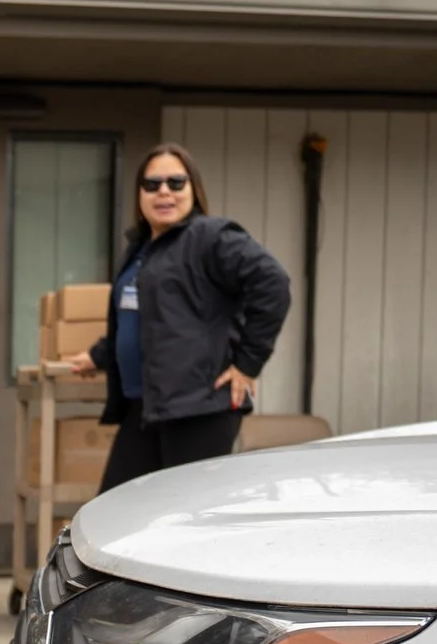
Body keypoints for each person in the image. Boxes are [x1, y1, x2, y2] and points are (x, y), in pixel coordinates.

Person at [65, 143, 292, 492]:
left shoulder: (210, 237)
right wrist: (100, 355)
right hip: (146, 407)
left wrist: (248, 363)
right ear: (139, 194)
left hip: (197, 410)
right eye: (152, 184)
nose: (164, 192)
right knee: (115, 511)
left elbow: (273, 283)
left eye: (175, 182)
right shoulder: (141, 250)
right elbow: (144, 320)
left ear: (193, 189)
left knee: (183, 523)